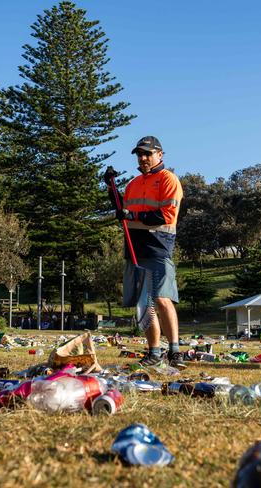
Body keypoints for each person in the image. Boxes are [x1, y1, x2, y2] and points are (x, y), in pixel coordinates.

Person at [105, 136, 185, 369]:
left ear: (160, 154)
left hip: (158, 246)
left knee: (162, 298)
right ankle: (154, 352)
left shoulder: (168, 179)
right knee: (145, 303)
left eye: (147, 154)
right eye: (139, 154)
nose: (143, 158)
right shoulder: (133, 183)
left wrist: (133, 216)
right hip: (134, 248)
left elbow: (167, 216)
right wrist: (111, 187)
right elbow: (122, 209)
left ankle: (175, 351)